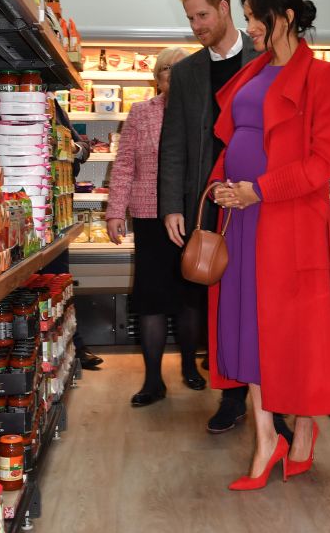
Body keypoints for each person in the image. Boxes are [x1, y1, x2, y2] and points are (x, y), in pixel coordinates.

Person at [208, 0, 330, 490]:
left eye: (253, 17)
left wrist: (259, 190)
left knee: (297, 334)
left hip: (290, 224)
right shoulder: (253, 72)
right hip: (244, 219)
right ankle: (268, 438)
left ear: (284, 17)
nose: (247, 27)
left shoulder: (321, 77)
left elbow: (322, 163)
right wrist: (222, 184)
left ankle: (304, 431)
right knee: (247, 328)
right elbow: (235, 138)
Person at [158, 0, 262, 433]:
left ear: (224, 9)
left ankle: (269, 402)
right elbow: (174, 143)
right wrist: (172, 205)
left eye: (202, 15)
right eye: (190, 19)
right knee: (218, 302)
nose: (196, 25)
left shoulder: (265, 58)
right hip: (210, 205)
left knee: (258, 300)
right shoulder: (185, 73)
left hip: (260, 199)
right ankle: (232, 397)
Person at [106, 47, 206, 406]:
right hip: (149, 217)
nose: (173, 76)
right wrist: (115, 211)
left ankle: (190, 367)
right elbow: (123, 166)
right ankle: (152, 381)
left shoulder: (203, 113)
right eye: (167, 70)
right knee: (151, 301)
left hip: (192, 216)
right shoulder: (141, 113)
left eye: (181, 70)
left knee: (190, 298)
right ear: (157, 77)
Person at [44, 100, 102, 371]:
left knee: (58, 279)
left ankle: (71, 346)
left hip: (55, 209)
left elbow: (83, 148)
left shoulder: (54, 107)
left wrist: (73, 148)